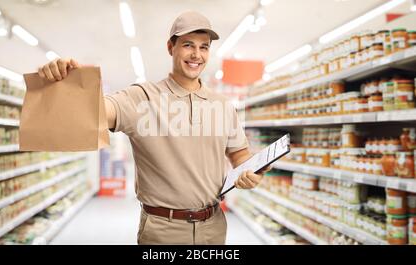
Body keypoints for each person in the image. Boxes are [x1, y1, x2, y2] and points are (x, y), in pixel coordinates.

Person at [37, 11, 269, 245]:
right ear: (171, 47)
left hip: (214, 228)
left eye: (204, 47)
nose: (196, 55)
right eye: (188, 45)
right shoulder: (142, 98)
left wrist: (252, 172)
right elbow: (95, 112)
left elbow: (240, 155)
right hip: (162, 231)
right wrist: (66, 82)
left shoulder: (223, 106)